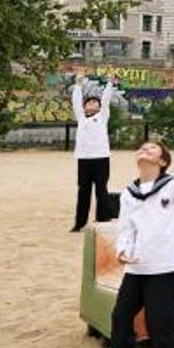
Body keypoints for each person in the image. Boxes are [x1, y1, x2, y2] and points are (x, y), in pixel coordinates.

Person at [101, 138, 174, 348]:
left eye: (152, 148)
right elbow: (126, 229)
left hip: (165, 266)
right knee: (120, 318)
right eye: (142, 147)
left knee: (161, 321)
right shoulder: (128, 194)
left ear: (163, 161)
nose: (145, 149)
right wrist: (122, 250)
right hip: (136, 267)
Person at [71, 73, 117, 231]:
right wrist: (78, 85)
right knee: (83, 191)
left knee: (101, 189)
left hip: (101, 158)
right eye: (89, 102)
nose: (92, 104)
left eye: (94, 102)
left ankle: (103, 219)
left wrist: (110, 83)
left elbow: (106, 100)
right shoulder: (81, 119)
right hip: (83, 159)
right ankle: (80, 223)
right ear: (84, 107)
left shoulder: (103, 117)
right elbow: (76, 101)